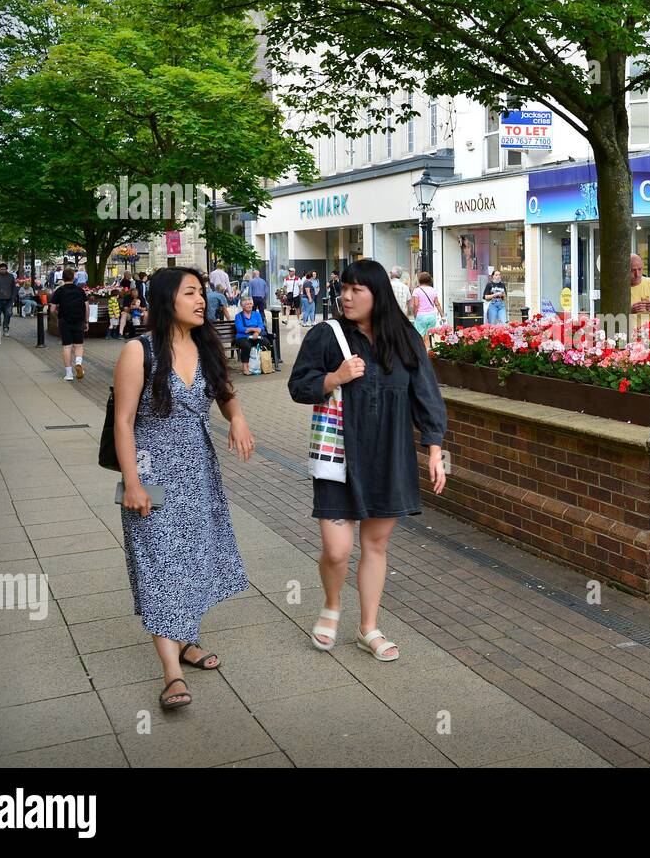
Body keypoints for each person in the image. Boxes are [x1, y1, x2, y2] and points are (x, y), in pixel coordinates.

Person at [288, 259, 447, 661]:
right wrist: (335, 377)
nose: (346, 296)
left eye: (357, 289)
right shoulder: (328, 335)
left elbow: (425, 395)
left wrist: (434, 450)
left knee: (375, 545)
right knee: (338, 549)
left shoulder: (406, 339)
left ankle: (368, 628)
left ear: (378, 294)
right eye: (344, 288)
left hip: (389, 457)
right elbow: (298, 386)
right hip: (339, 458)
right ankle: (332, 602)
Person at [113, 266, 255, 710]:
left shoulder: (207, 345)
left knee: (194, 557)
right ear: (166, 299)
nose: (201, 300)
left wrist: (237, 417)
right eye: (190, 292)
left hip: (199, 474)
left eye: (201, 292)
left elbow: (224, 390)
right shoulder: (139, 352)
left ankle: (187, 639)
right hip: (150, 475)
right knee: (160, 565)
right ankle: (171, 672)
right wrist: (132, 482)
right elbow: (122, 422)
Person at [49, 268, 87, 381]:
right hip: (79, 320)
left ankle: (69, 374)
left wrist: (57, 314)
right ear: (74, 277)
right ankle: (78, 362)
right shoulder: (80, 290)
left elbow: (52, 309)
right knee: (79, 345)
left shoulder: (59, 291)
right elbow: (86, 306)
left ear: (63, 277)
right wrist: (86, 321)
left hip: (65, 321)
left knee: (67, 346)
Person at [233, 296, 273, 375]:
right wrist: (253, 329)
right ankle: (245, 368)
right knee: (246, 346)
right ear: (242, 306)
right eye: (247, 304)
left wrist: (256, 333)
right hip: (242, 337)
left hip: (255, 336)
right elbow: (240, 328)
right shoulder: (238, 316)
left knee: (266, 342)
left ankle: (266, 365)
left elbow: (261, 326)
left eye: (250, 304)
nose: (249, 306)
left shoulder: (256, 314)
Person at [410, 271, 443, 348]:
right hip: (432, 316)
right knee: (427, 337)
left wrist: (415, 314)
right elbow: (437, 304)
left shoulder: (417, 290)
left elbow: (416, 304)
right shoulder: (433, 290)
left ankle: (420, 355)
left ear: (419, 280)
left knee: (419, 337)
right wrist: (442, 315)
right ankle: (427, 354)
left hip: (421, 316)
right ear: (429, 280)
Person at [0, 262, 17, 336]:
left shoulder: (11, 276)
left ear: (6, 269)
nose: (3, 271)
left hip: (9, 299)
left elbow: (14, 287)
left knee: (8, 313)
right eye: (1, 269)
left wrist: (13, 297)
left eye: (4, 269)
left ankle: (5, 328)